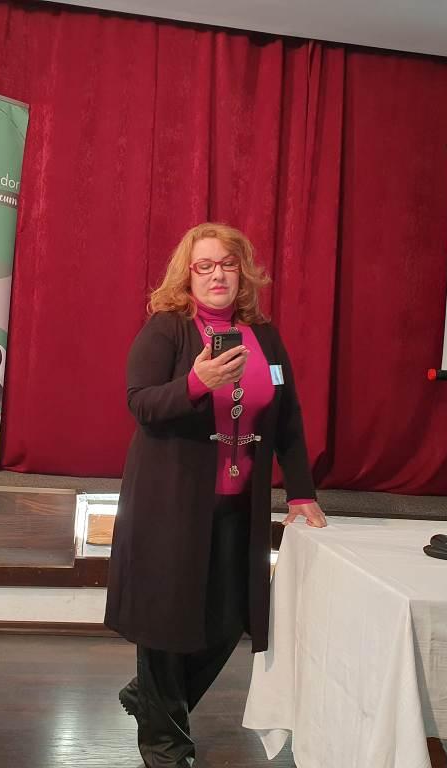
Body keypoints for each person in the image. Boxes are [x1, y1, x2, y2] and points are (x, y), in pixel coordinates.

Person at [104, 222, 327, 767]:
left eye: (227, 264)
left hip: (237, 507)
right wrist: (196, 383)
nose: (217, 275)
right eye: (204, 266)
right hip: (170, 505)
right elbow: (141, 403)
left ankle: (151, 698)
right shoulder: (168, 329)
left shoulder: (264, 336)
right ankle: (166, 748)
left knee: (228, 622)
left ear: (242, 273)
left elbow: (288, 417)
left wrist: (301, 492)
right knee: (165, 624)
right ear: (187, 275)